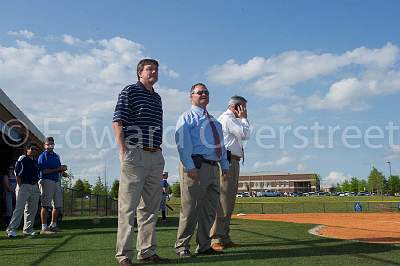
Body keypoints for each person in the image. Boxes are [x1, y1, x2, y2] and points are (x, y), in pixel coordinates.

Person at [112, 58, 166, 266]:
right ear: (139, 73)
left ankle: (147, 251)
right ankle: (124, 255)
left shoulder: (157, 98)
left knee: (150, 208)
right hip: (135, 154)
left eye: (156, 69)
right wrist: (123, 150)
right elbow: (118, 121)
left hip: (155, 156)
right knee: (128, 208)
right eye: (149, 69)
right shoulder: (130, 91)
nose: (154, 72)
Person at [175, 83, 230, 258]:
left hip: (213, 168)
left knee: (209, 210)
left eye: (206, 92)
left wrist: (225, 165)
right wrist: (190, 166)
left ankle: (204, 245)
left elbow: (220, 144)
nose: (203, 94)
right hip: (195, 167)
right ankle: (182, 246)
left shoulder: (215, 121)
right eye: (199, 92)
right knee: (190, 209)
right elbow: (183, 145)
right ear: (191, 96)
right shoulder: (187, 117)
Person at [211, 95, 250, 251]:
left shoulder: (231, 119)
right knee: (223, 201)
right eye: (244, 108)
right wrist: (244, 118)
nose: (246, 111)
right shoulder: (228, 119)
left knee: (229, 202)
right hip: (227, 162)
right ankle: (216, 238)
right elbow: (245, 134)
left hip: (233, 161)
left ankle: (224, 236)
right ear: (237, 107)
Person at [5, 143, 40, 237]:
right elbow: (17, 173)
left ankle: (28, 229)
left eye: (36, 149)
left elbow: (37, 176)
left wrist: (37, 188)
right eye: (32, 149)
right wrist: (20, 186)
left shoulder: (35, 161)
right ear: (27, 149)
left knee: (32, 209)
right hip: (23, 186)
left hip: (34, 187)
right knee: (19, 209)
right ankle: (11, 229)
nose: (34, 151)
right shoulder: (23, 158)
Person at [38, 137, 67, 234]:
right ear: (44, 145)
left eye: (52, 144)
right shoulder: (43, 156)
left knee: (58, 205)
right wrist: (59, 169)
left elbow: (58, 169)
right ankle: (44, 228)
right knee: (45, 205)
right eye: (48, 144)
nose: (50, 145)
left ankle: (53, 225)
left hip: (56, 182)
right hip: (46, 181)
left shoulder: (56, 156)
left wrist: (63, 171)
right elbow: (44, 171)